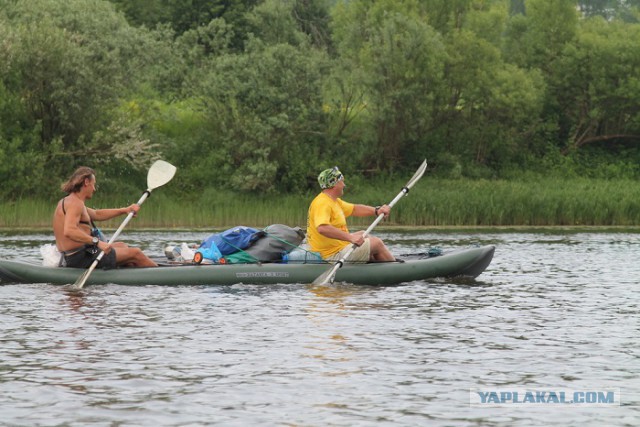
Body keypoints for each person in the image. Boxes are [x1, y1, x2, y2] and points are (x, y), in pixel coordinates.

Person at [53, 166, 157, 268]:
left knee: (122, 246)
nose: (94, 189)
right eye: (93, 185)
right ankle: (158, 275)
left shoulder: (68, 201)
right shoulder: (75, 203)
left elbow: (97, 214)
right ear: (86, 182)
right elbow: (69, 230)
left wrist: (124, 210)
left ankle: (130, 268)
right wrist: (97, 242)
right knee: (136, 253)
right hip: (80, 258)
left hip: (76, 255)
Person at [307, 166, 396, 263]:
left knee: (363, 234)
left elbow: (354, 209)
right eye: (342, 181)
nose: (344, 185)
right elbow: (322, 228)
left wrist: (376, 210)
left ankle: (376, 261)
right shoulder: (322, 203)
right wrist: (351, 237)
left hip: (338, 247)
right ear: (334, 184)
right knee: (377, 243)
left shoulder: (334, 201)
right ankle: (395, 269)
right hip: (330, 255)